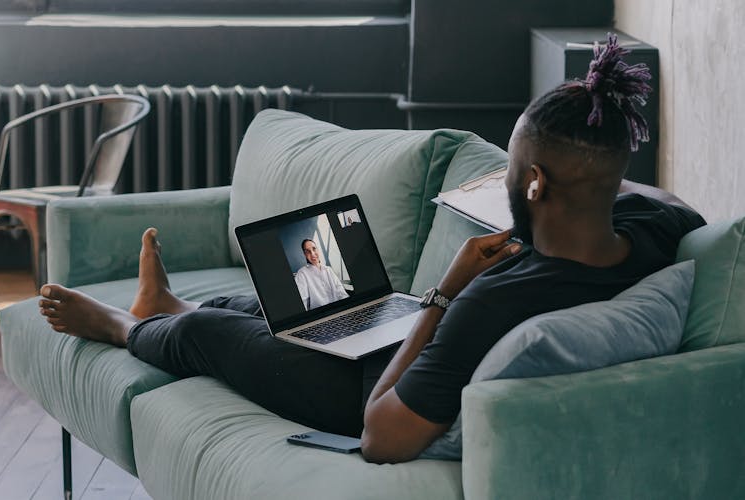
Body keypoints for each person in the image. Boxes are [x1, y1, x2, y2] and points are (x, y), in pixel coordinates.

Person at [36, 35, 705, 464]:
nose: (504, 178)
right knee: (275, 292)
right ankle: (168, 304)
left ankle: (127, 325)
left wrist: (445, 292)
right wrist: (582, 183)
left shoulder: (493, 303)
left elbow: (381, 435)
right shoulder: (650, 228)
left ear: (532, 183)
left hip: (362, 386)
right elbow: (671, 204)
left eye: (511, 168)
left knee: (212, 330)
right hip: (409, 329)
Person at [293, 238, 349, 310]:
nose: (312, 254)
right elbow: (302, 302)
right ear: (305, 254)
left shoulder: (329, 270)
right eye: (308, 251)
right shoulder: (302, 274)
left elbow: (341, 292)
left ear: (318, 249)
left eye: (314, 249)